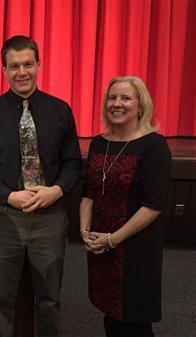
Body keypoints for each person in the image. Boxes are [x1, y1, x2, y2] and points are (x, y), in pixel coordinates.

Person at [0, 35, 82, 337]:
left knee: (49, 299)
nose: (22, 72)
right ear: (4, 70)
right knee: (0, 300)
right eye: (14, 66)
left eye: (28, 64)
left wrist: (55, 191)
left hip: (50, 218)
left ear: (39, 64)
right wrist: (10, 196)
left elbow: (73, 163)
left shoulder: (60, 111)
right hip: (4, 218)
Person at [80, 76, 171, 337]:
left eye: (126, 98)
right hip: (101, 244)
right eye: (112, 97)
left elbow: (154, 205)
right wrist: (85, 230)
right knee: (111, 314)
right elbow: (89, 193)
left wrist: (113, 239)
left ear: (141, 106)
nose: (117, 104)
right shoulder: (99, 142)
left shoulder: (154, 145)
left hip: (135, 248)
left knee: (135, 320)